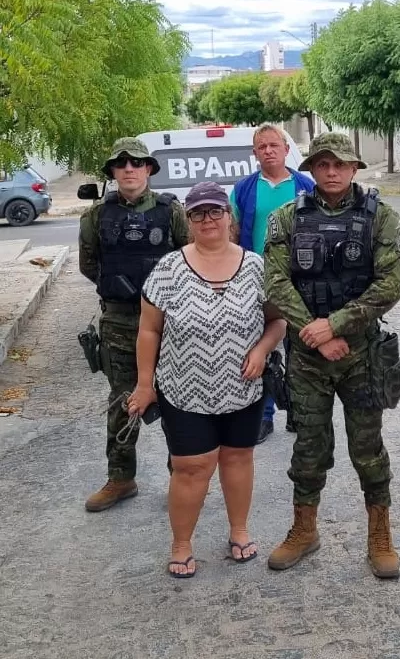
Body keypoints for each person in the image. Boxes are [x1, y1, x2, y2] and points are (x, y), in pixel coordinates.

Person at [263, 132, 400, 579]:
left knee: (368, 448)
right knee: (309, 447)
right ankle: (304, 530)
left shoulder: (381, 217)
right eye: (322, 164)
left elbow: (390, 285)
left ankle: (379, 534)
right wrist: (317, 333)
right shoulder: (286, 217)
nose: (331, 171)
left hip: (361, 354)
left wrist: (338, 324)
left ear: (353, 168)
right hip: (308, 357)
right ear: (311, 169)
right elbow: (274, 283)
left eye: (339, 164)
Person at [127, 181, 286, 578]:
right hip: (184, 388)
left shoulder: (256, 266)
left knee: (237, 458)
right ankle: (181, 544)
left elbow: (278, 320)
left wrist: (261, 349)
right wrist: (145, 385)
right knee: (191, 466)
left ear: (229, 217)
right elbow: (149, 331)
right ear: (189, 219)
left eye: (216, 211)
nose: (208, 219)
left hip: (243, 387)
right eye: (199, 213)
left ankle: (239, 529)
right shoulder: (168, 268)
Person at [79, 138, 189, 513]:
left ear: (149, 170)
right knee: (123, 401)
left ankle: (183, 478)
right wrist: (122, 292)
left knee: (177, 401)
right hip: (120, 322)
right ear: (113, 171)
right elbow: (90, 265)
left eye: (137, 163)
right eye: (121, 163)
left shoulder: (172, 212)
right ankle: (121, 477)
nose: (129, 168)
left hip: (170, 323)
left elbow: (191, 259)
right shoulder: (97, 215)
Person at [230, 123, 314, 444]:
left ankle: (297, 411)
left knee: (301, 349)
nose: (268, 151)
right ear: (255, 153)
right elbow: (233, 233)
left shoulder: (306, 186)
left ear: (285, 149)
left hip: (299, 282)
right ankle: (264, 416)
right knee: (261, 347)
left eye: (273, 145)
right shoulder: (244, 190)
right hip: (257, 282)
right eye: (261, 147)